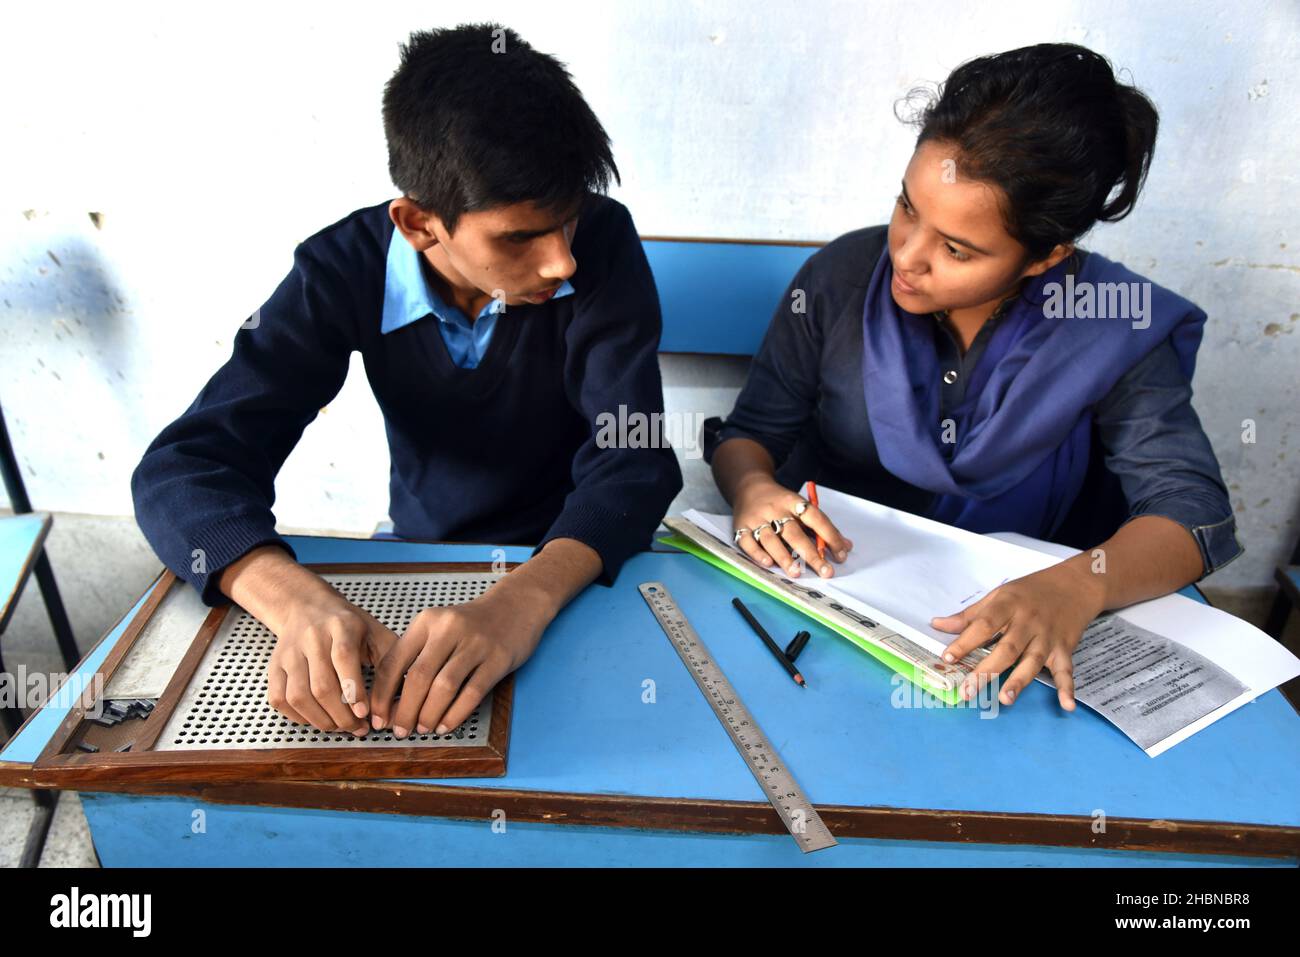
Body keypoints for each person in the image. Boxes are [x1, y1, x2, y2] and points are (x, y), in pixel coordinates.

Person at [131, 23, 682, 739]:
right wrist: (293, 597)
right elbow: (183, 471)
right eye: (519, 237)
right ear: (419, 223)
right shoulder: (339, 271)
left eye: (567, 222)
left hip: (576, 557)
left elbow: (631, 458)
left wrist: (523, 599)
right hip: (419, 548)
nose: (561, 263)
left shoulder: (604, 245)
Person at [706, 43, 1242, 711]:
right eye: (907, 208)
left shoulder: (1112, 325)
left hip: (1011, 644)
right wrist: (755, 487)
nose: (906, 256)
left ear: (1046, 257)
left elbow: (1190, 512)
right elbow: (752, 431)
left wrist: (1078, 586)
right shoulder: (841, 279)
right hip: (823, 617)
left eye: (956, 249)